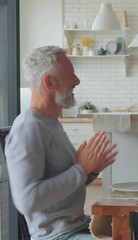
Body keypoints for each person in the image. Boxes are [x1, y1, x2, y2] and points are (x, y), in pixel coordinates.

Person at [5, 46, 118, 240]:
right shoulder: (28, 128)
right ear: (49, 82)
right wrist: (81, 169)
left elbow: (67, 183)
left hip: (78, 228)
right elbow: (27, 201)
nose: (77, 81)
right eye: (71, 75)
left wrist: (90, 170)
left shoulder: (51, 123)